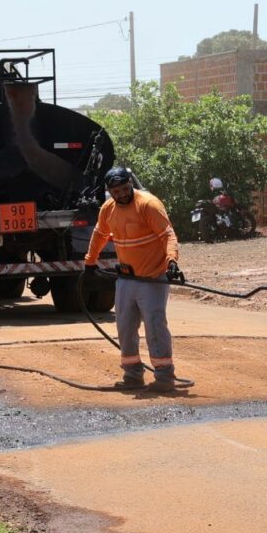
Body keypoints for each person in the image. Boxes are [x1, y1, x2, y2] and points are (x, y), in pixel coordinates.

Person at [83, 167, 185, 391]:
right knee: (125, 327)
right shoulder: (108, 208)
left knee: (155, 325)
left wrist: (172, 261)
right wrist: (90, 263)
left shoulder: (148, 204)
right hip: (126, 279)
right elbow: (100, 234)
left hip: (152, 279)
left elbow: (167, 234)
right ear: (110, 192)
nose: (121, 194)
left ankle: (164, 377)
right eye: (116, 191)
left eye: (124, 188)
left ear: (131, 184)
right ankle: (132, 375)